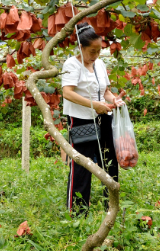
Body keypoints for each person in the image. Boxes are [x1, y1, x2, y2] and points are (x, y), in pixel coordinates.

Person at [61, 22, 125, 214]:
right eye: (92, 51)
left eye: (99, 51)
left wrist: (114, 100)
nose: (95, 55)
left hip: (103, 118)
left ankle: (110, 206)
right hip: (81, 120)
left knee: (110, 162)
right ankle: (78, 212)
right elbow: (67, 93)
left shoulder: (99, 64)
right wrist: (93, 105)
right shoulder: (72, 65)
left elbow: (104, 91)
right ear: (80, 47)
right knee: (82, 165)